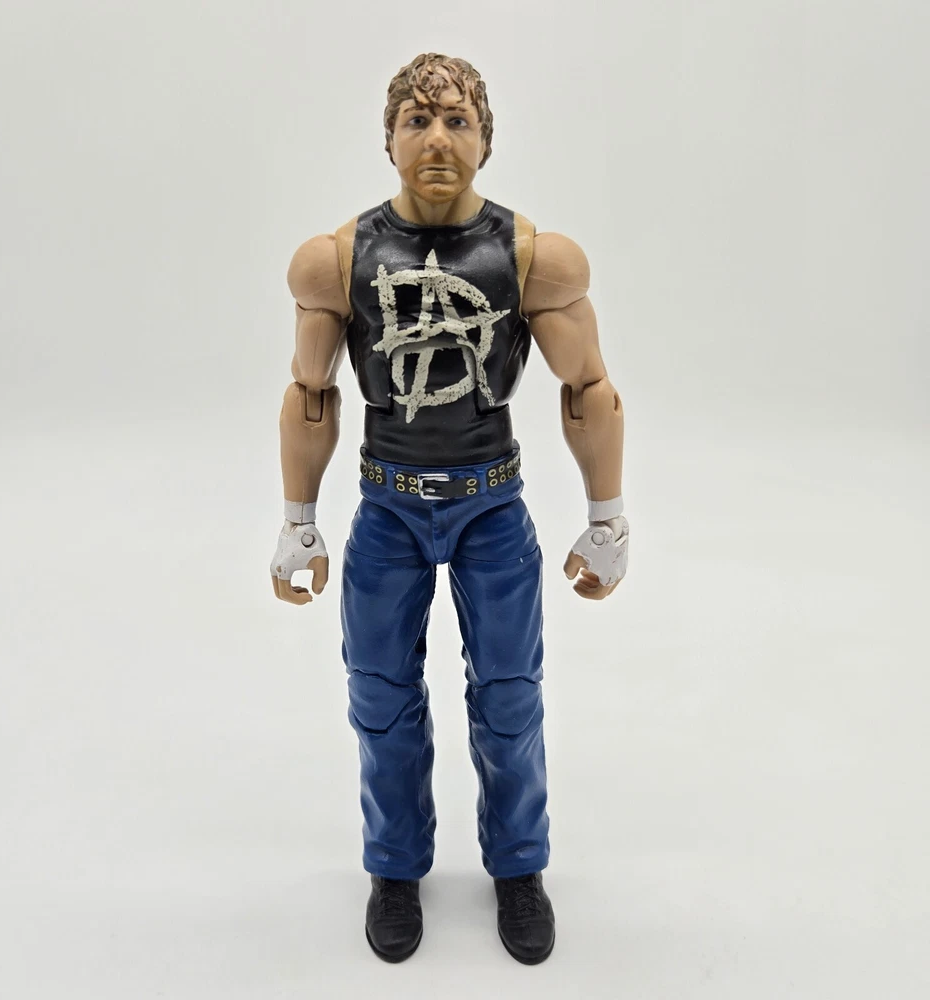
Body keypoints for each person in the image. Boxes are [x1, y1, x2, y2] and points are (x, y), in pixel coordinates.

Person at [271, 52, 628, 965]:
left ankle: (519, 866)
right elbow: (311, 394)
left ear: (486, 139)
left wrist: (608, 516)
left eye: (457, 119)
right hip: (387, 506)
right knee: (379, 696)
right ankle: (395, 867)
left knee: (509, 697)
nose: (437, 137)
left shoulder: (533, 259)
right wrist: (298, 519)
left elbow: (588, 386)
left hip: (490, 506)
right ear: (389, 138)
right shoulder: (337, 261)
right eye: (417, 120)